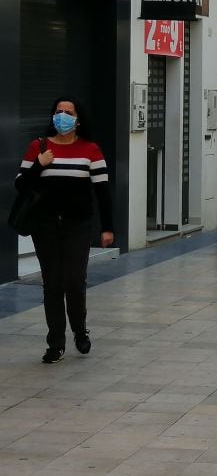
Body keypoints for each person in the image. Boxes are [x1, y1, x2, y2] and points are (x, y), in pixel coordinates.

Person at [15, 96, 114, 364]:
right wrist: (40, 164)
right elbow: (21, 184)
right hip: (44, 225)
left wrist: (108, 228)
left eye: (67, 112)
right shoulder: (39, 146)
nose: (62, 116)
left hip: (78, 225)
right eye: (58, 111)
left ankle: (80, 331)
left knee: (74, 279)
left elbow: (102, 192)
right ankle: (56, 342)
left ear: (78, 119)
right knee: (52, 284)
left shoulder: (91, 149)